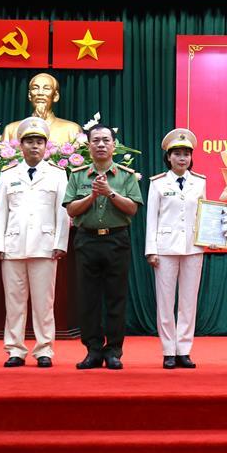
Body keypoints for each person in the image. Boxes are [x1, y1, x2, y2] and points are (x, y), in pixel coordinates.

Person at [0, 117, 70, 368]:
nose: (34, 146)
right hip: (13, 245)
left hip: (45, 246)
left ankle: (44, 348)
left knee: (44, 302)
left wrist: (61, 242)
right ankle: (15, 349)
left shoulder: (58, 174)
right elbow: (1, 212)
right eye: (29, 142)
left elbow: (63, 212)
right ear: (20, 146)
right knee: (13, 302)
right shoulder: (8, 174)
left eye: (39, 142)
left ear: (46, 146)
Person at [64, 124, 143, 370]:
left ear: (113, 146)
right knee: (88, 299)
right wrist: (91, 197)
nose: (100, 144)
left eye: (105, 140)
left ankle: (114, 351)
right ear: (88, 146)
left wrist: (109, 193)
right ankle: (93, 350)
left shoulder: (126, 176)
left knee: (115, 297)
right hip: (86, 240)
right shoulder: (77, 175)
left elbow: (132, 209)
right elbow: (70, 209)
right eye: (95, 140)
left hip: (116, 240)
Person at [145, 128, 206, 369]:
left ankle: (184, 350)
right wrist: (151, 249)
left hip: (193, 247)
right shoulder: (158, 183)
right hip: (165, 248)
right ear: (168, 157)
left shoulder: (200, 182)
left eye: (186, 154)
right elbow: (152, 217)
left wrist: (209, 237)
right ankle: (168, 350)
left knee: (188, 302)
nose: (182, 158)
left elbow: (203, 215)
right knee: (165, 301)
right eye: (177, 154)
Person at [2, 72, 82, 145]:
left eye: (46, 89)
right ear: (30, 95)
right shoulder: (11, 129)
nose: (40, 93)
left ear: (55, 96)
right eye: (35, 88)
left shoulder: (72, 129)